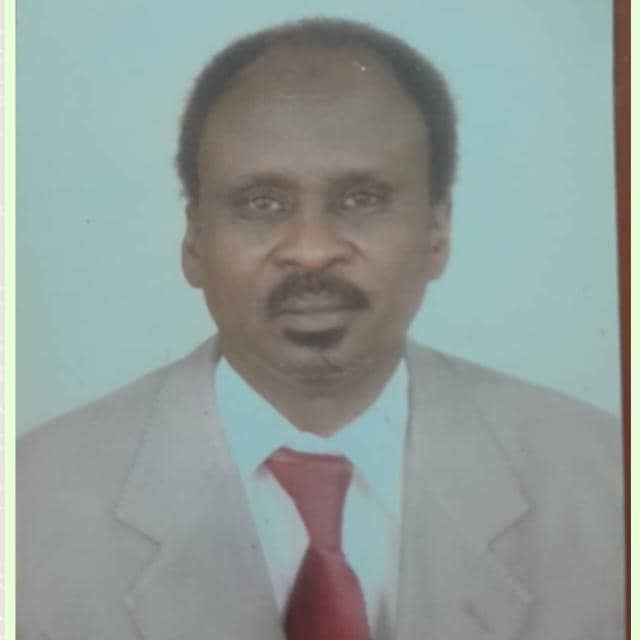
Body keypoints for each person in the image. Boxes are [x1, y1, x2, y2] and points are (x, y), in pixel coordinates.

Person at [17, 18, 624, 640]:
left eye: (361, 199)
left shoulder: (607, 481)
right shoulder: (29, 505)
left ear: (436, 232)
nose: (311, 251)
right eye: (261, 203)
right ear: (194, 239)